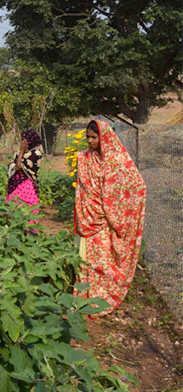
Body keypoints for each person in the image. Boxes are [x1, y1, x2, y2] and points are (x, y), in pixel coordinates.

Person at [73, 119, 146, 316]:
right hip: (89, 220)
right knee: (86, 260)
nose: (89, 141)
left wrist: (115, 210)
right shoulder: (85, 158)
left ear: (103, 137)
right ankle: (83, 298)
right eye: (87, 137)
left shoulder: (116, 160)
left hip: (105, 222)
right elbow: (83, 189)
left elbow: (137, 186)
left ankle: (101, 298)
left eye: (93, 137)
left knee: (103, 263)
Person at [6, 129, 43, 222]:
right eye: (21, 140)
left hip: (27, 185)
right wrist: (19, 156)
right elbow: (10, 164)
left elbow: (18, 167)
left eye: (24, 140)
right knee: (13, 208)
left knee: (28, 209)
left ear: (30, 141)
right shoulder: (19, 153)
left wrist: (21, 152)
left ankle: (30, 232)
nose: (22, 143)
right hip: (15, 184)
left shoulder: (36, 153)